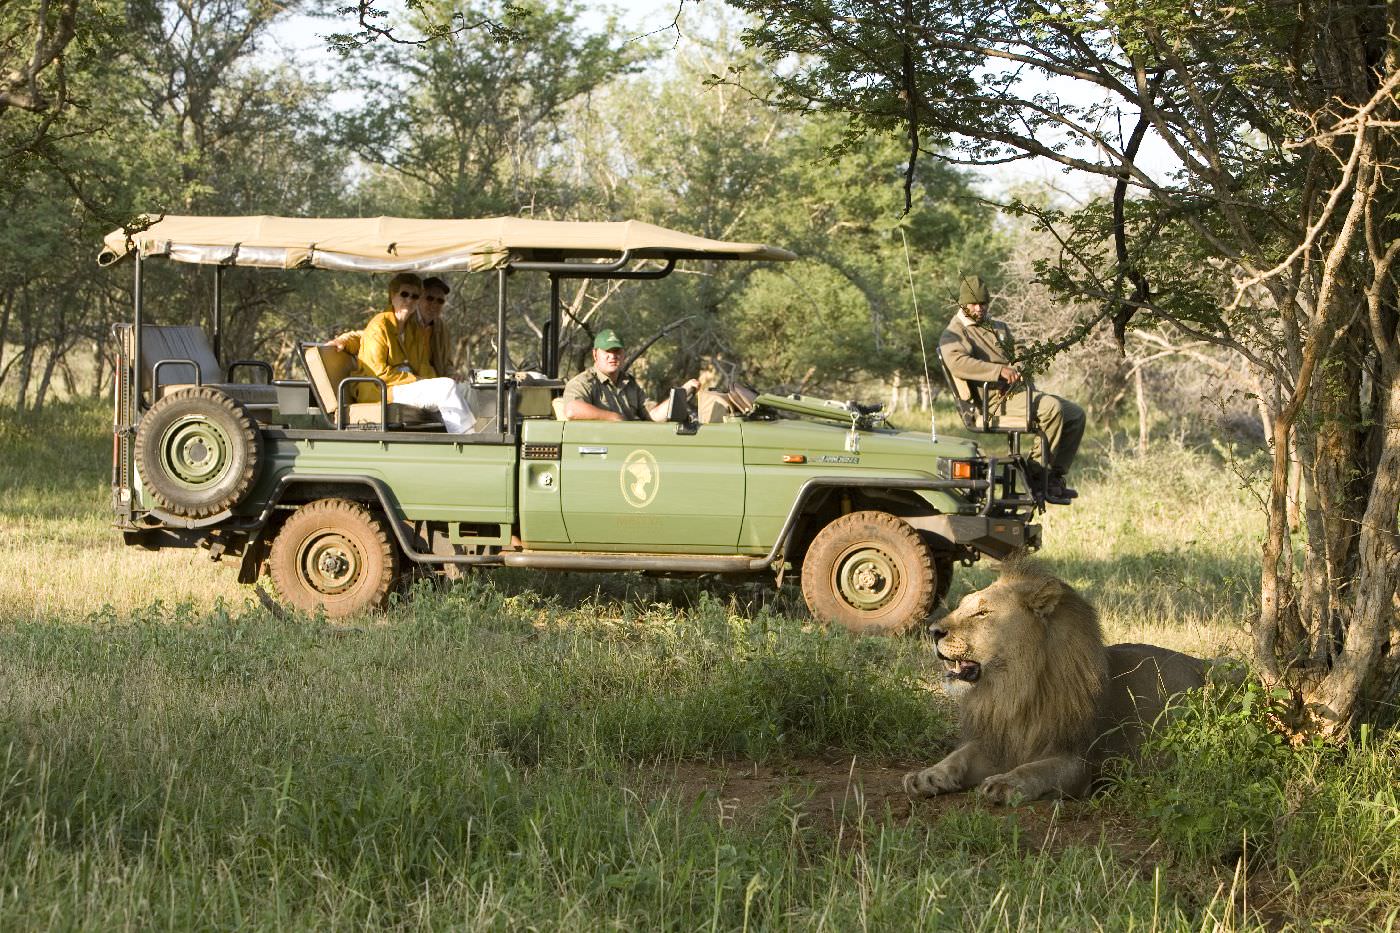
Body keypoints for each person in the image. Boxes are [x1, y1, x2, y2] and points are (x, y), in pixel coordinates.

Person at [938, 274, 1085, 505]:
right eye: (974, 304)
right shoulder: (955, 333)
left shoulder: (997, 327)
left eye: (983, 303)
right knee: (1051, 408)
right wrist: (999, 372)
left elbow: (1019, 350)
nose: (979, 308)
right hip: (992, 402)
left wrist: (1018, 365)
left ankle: (1053, 478)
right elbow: (958, 363)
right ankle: (1037, 476)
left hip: (1018, 392)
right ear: (963, 303)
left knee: (1075, 414)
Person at [343, 272, 477, 433]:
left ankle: (477, 433)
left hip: (401, 386)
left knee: (463, 389)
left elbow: (421, 364)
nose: (409, 300)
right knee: (446, 387)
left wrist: (433, 380)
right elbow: (378, 373)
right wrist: (417, 379)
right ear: (392, 296)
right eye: (404, 294)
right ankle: (465, 440)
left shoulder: (412, 329)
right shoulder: (379, 326)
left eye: (415, 296)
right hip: (379, 390)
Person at [562, 329, 699, 422]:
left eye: (617, 351)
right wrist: (613, 417)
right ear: (595, 354)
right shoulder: (583, 382)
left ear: (623, 354)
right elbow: (572, 410)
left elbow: (654, 415)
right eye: (607, 351)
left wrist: (683, 391)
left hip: (628, 447)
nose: (613, 356)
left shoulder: (629, 383)